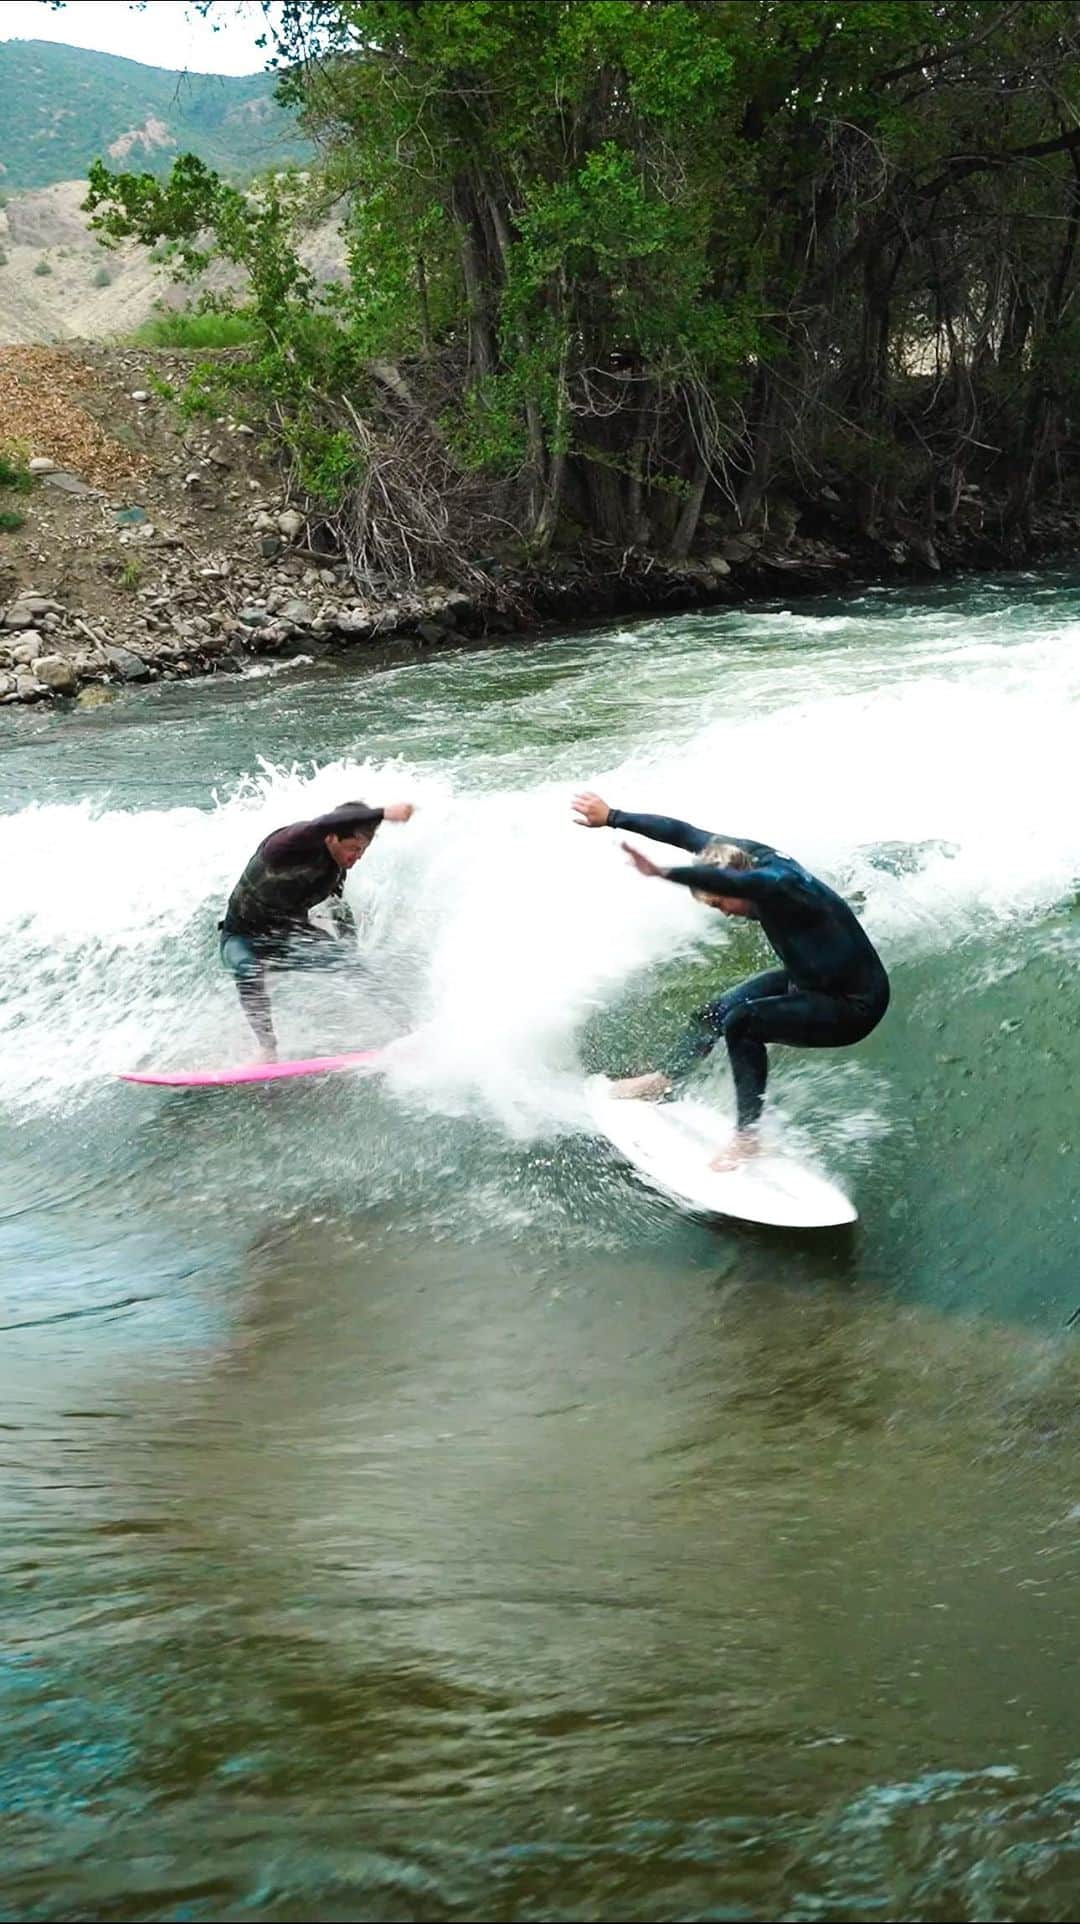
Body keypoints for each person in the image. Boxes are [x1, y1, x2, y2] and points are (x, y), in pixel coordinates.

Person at [571, 791, 889, 1167]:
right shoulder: (736, 856)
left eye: (720, 904)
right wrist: (612, 816)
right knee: (713, 1014)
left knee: (743, 1022)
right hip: (810, 981)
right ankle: (663, 1080)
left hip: (853, 1004)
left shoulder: (783, 886)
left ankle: (747, 1137)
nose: (722, 913)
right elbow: (682, 831)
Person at [219, 799, 414, 1058]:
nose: (357, 857)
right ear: (332, 838)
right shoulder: (286, 846)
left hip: (289, 939)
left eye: (363, 850)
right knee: (248, 969)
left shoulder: (336, 869)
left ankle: (410, 1028)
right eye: (353, 849)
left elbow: (339, 910)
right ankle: (267, 1049)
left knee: (350, 964)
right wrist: (385, 813)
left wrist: (349, 954)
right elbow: (322, 822)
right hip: (242, 938)